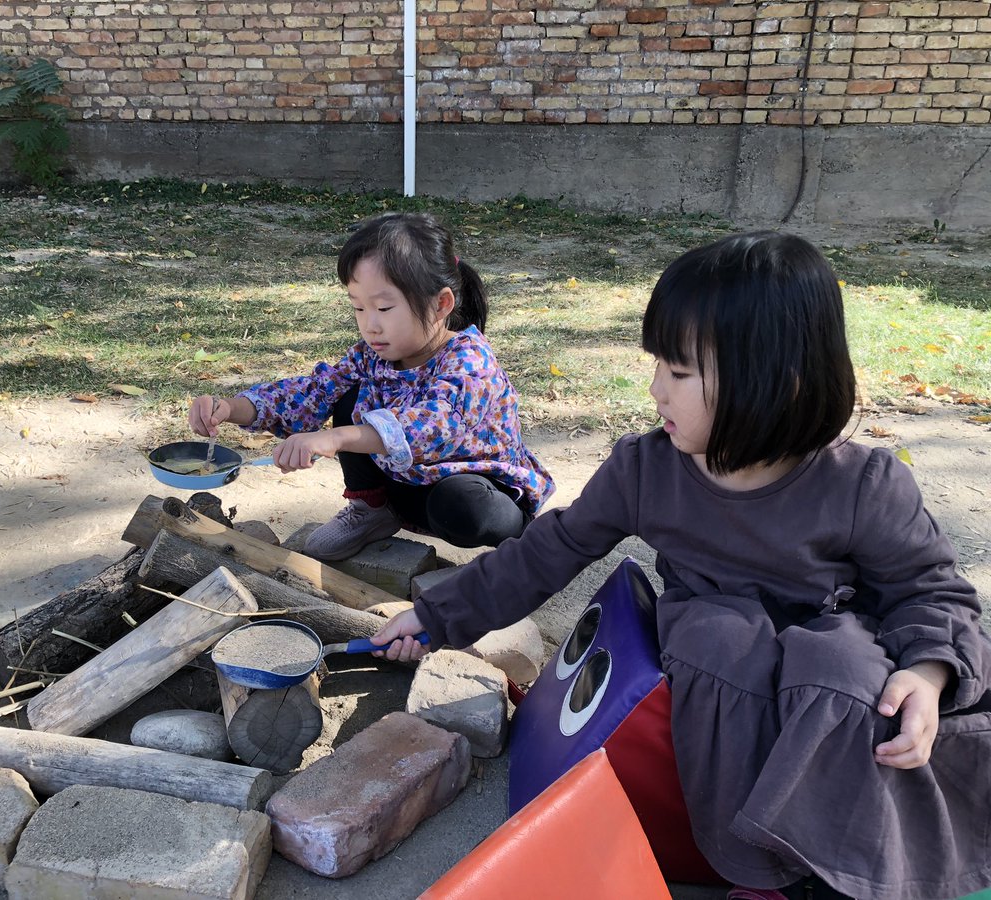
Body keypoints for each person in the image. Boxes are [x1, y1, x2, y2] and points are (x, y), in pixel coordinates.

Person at [372, 231, 991, 900]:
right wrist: (436, 615)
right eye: (657, 365)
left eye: (680, 371)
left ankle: (840, 871)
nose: (655, 389)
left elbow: (932, 593)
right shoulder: (645, 470)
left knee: (846, 668)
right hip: (719, 650)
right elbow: (548, 550)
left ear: (777, 382)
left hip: (834, 657)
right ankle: (757, 872)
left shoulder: (862, 485)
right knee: (723, 642)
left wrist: (928, 673)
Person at [187, 211, 554, 562]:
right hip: (406, 484)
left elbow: (430, 427)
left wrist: (335, 439)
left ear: (441, 303)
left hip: (477, 491)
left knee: (461, 505)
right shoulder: (371, 356)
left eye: (383, 308)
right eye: (359, 308)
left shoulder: (470, 360)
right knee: (346, 398)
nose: (370, 326)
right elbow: (313, 392)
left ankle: (523, 544)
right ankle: (372, 510)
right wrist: (232, 408)